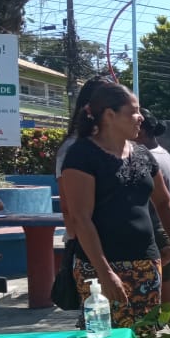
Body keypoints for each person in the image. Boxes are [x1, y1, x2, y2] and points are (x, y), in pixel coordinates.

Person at [61, 83, 170, 328]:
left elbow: (164, 200)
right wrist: (105, 273)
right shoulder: (82, 155)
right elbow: (80, 219)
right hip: (102, 269)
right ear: (109, 115)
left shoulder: (141, 153)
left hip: (146, 263)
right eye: (133, 111)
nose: (140, 118)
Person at [135, 108, 170, 337]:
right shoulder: (167, 156)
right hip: (166, 234)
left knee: (144, 308)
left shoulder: (142, 158)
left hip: (148, 237)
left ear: (141, 130)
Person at [56, 76, 114, 240]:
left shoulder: (119, 147)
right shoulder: (72, 148)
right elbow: (68, 206)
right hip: (86, 246)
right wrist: (80, 246)